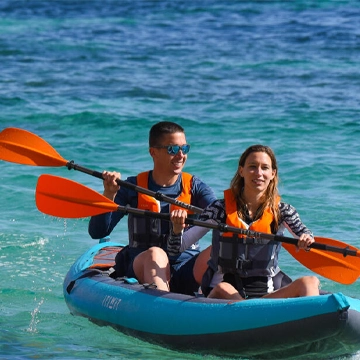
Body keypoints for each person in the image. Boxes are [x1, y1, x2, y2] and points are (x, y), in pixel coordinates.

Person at [169, 144, 320, 301]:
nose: (259, 173)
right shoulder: (219, 209)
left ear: (273, 173)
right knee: (224, 288)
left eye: (265, 168)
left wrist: (306, 240)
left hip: (264, 297)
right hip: (222, 295)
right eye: (252, 167)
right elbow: (176, 249)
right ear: (241, 171)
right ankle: (251, 316)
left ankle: (314, 322)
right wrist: (177, 229)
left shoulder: (283, 212)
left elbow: (305, 234)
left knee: (310, 282)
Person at [88, 121, 216, 295]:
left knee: (218, 250)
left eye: (184, 149)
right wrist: (108, 195)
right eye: (172, 149)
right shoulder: (132, 187)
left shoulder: (196, 187)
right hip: (144, 266)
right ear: (153, 152)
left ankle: (230, 301)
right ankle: (165, 307)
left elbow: (219, 213)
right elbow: (98, 232)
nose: (180, 155)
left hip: (186, 269)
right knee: (156, 254)